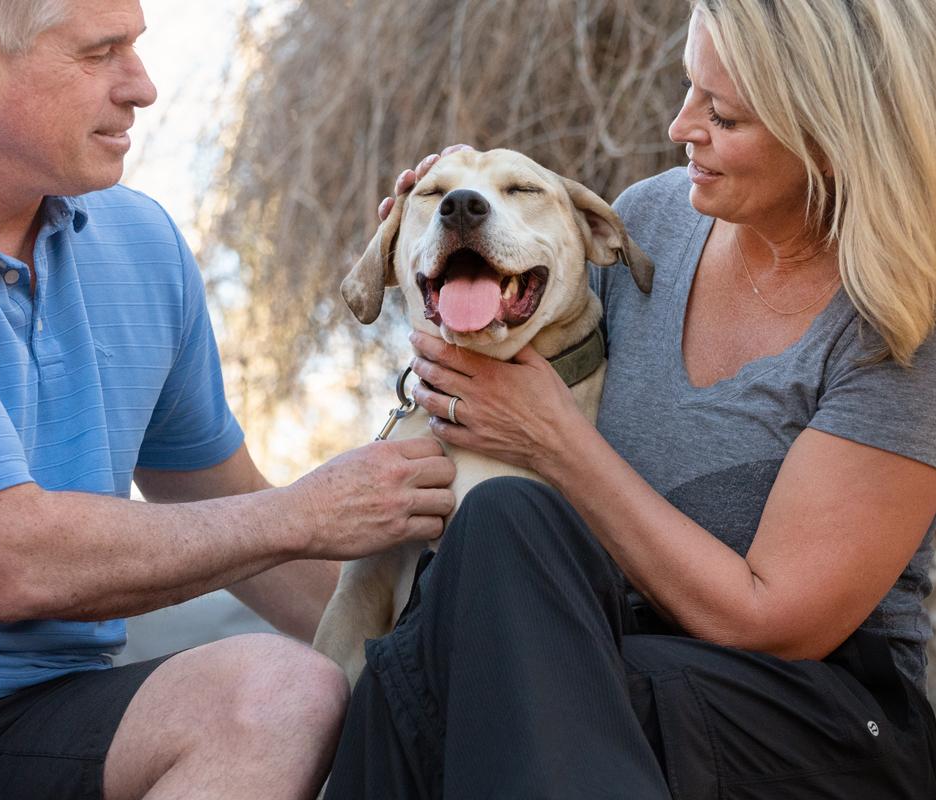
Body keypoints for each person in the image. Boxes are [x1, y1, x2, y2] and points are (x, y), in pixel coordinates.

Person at [324, 1, 936, 797]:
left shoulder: (901, 326)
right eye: (689, 89)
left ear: (829, 131)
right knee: (491, 543)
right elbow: (527, 308)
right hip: (611, 662)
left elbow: (776, 625)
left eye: (722, 114)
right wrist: (443, 230)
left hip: (815, 717)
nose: (682, 127)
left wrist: (555, 442)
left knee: (471, 666)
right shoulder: (654, 220)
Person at [0, 1, 456, 799]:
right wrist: (308, 512)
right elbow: (12, 561)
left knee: (281, 694)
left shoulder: (140, 244)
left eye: (135, 47)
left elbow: (229, 512)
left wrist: (455, 666)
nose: (141, 87)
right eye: (101, 53)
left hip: (39, 712)